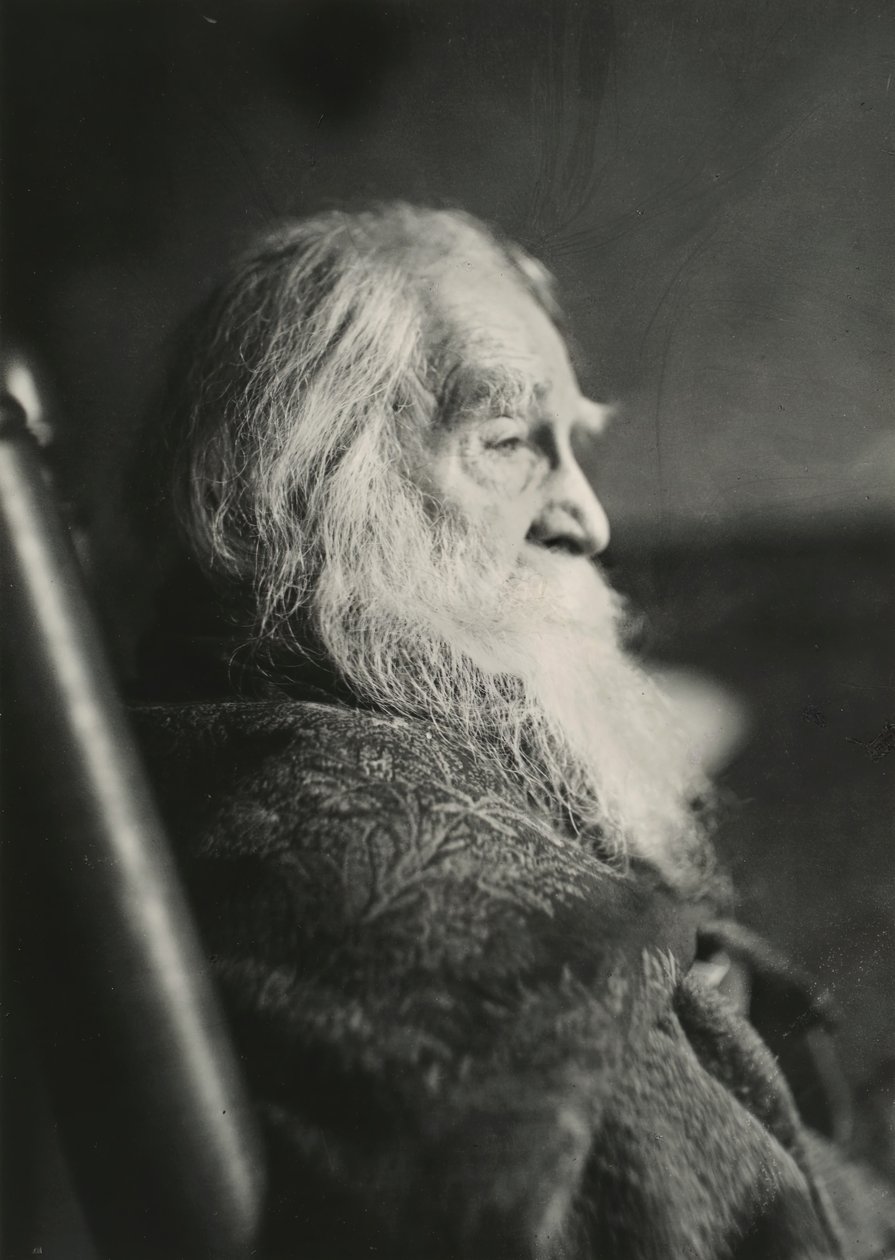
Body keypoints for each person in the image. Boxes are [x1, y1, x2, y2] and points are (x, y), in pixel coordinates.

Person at [131, 204, 895, 1258]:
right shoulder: (407, 897)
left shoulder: (324, 739)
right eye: (505, 442)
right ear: (304, 486)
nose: (588, 518)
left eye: (572, 448)